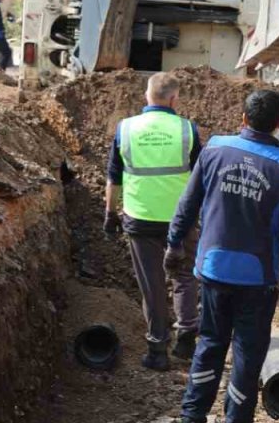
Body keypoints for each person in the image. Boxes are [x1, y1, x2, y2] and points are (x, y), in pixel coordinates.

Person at [166, 90, 279, 423]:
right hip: (257, 280)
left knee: (211, 345)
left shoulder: (215, 148)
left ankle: (192, 416)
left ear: (243, 118)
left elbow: (188, 203)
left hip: (214, 270)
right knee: (248, 356)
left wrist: (174, 242)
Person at [104, 72, 203, 370]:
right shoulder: (187, 130)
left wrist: (110, 213)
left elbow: (113, 178)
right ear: (174, 99)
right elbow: (201, 177)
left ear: (146, 96)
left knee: (152, 284)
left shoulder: (126, 129)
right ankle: (186, 336)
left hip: (140, 218)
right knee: (184, 276)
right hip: (181, 220)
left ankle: (157, 350)